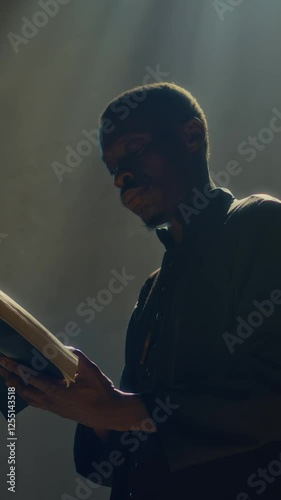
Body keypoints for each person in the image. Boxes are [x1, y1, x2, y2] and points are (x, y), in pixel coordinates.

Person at [1, 82, 281, 499]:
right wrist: (88, 407)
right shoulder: (153, 289)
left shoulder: (259, 223)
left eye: (133, 150)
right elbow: (130, 445)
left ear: (191, 136)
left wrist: (121, 408)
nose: (121, 178)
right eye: (112, 167)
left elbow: (269, 397)